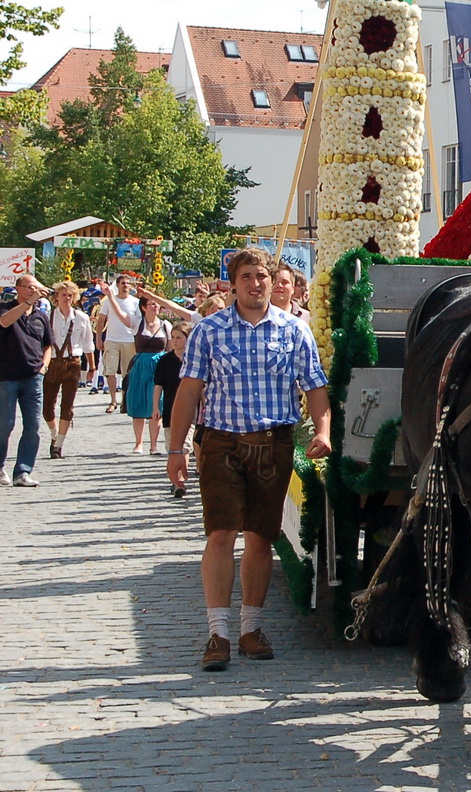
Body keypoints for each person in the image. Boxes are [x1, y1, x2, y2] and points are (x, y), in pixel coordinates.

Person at [168, 248, 331, 672]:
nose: (255, 283)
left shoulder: (293, 331)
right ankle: (217, 633)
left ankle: (250, 628)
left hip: (273, 443)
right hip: (222, 443)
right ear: (233, 282)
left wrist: (323, 430)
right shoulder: (209, 331)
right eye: (246, 276)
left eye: (262, 275)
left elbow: (314, 385)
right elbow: (188, 391)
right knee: (221, 534)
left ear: (273, 279)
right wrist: (175, 449)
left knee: (261, 537)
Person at [0, 275, 51, 487]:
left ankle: (23, 471)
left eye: (36, 287)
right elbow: (5, 322)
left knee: (33, 426)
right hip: (8, 375)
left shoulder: (41, 316)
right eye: (29, 287)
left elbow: (47, 345)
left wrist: (45, 366)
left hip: (33, 375)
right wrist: (27, 303)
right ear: (19, 289)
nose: (34, 290)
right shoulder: (6, 307)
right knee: (6, 424)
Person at [43, 281, 94, 459]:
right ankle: (54, 433)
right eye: (64, 295)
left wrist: (92, 367)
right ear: (56, 297)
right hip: (53, 363)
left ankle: (58, 445)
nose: (67, 298)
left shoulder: (82, 318)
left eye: (70, 295)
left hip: (73, 362)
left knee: (68, 406)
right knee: (47, 407)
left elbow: (88, 344)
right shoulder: (48, 317)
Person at [124, 296, 171, 455]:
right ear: (144, 307)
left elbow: (170, 348)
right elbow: (121, 317)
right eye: (152, 304)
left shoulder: (165, 325)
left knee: (156, 405)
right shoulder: (138, 322)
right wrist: (110, 296)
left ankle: (154, 445)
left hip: (159, 365)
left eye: (157, 304)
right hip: (140, 366)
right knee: (138, 402)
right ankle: (138, 443)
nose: (156, 307)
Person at [155, 322, 191, 498]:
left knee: (185, 446)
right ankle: (175, 480)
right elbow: (158, 385)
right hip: (170, 408)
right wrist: (156, 407)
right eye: (173, 338)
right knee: (172, 445)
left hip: (190, 409)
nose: (175, 341)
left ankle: (181, 481)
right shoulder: (165, 360)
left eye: (179, 338)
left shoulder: (192, 359)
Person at [100, 273, 141, 412]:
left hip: (129, 340)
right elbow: (101, 320)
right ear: (117, 285)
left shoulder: (135, 302)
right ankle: (112, 401)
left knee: (127, 373)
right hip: (112, 339)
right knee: (110, 370)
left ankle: (125, 400)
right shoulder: (108, 301)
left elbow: (139, 323)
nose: (125, 285)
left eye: (127, 283)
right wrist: (99, 338)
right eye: (122, 283)